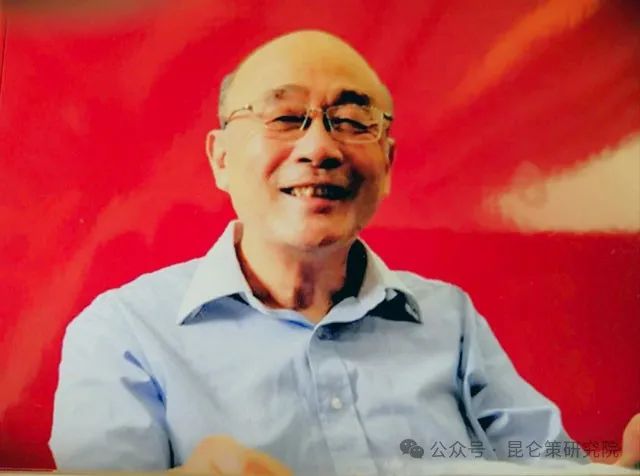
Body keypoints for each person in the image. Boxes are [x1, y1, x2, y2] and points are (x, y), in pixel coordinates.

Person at [49, 30, 638, 476]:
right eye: (285, 117)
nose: (320, 147)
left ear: (387, 163)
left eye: (353, 121)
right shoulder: (124, 332)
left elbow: (546, 463)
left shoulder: (448, 318)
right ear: (221, 158)